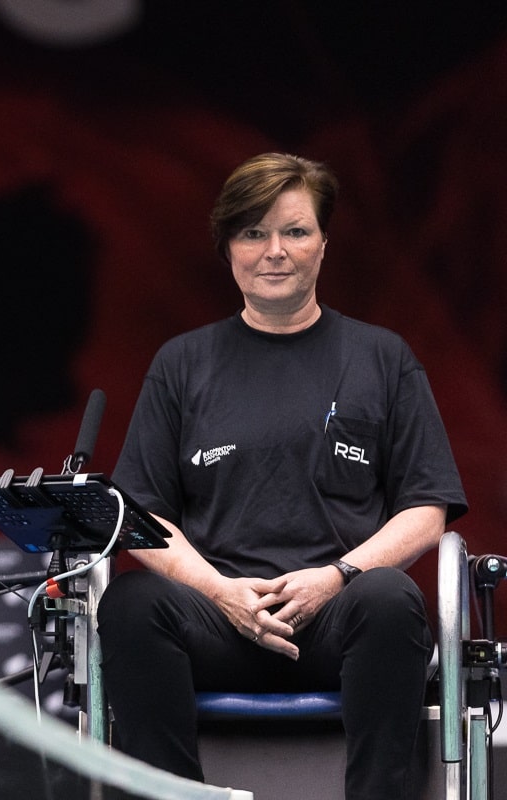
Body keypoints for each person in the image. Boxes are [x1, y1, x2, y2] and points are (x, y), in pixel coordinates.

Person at [96, 152, 467, 800]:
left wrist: (336, 577)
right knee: (128, 605)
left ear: (324, 243)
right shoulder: (182, 363)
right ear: (228, 248)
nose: (274, 251)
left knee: (392, 599)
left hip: (338, 617)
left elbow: (426, 508)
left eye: (294, 231)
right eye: (252, 232)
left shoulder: (382, 358)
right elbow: (141, 514)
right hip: (219, 619)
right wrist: (220, 593)